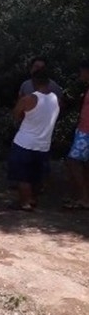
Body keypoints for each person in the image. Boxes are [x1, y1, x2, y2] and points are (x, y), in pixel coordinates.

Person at [7, 69, 60, 211]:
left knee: (22, 175)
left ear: (33, 82)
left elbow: (16, 114)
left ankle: (24, 202)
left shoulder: (28, 99)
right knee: (36, 175)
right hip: (44, 144)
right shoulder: (55, 99)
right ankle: (32, 198)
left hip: (24, 142)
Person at [65, 60, 89, 210]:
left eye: (82, 71)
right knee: (84, 165)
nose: (81, 74)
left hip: (86, 131)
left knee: (73, 161)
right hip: (83, 130)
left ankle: (84, 197)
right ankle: (83, 197)